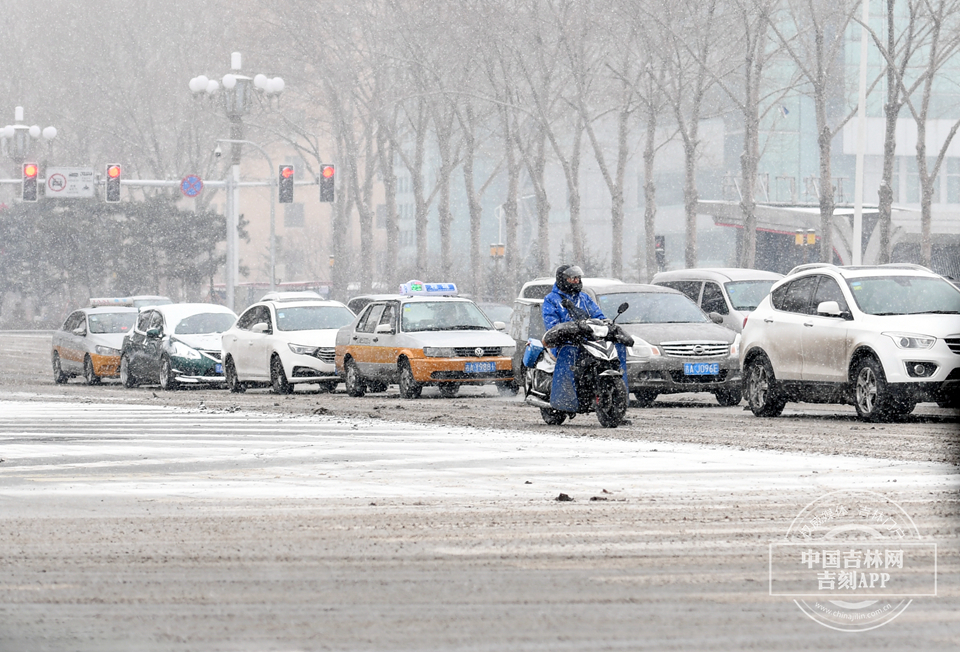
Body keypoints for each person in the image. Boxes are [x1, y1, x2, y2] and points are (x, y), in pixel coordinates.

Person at [542, 264, 604, 331]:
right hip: (566, 340)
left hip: (589, 339)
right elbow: (552, 327)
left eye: (578, 278)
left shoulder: (584, 297)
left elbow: (597, 314)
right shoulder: (551, 300)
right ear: (562, 280)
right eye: (573, 278)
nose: (576, 281)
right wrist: (573, 330)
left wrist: (605, 323)